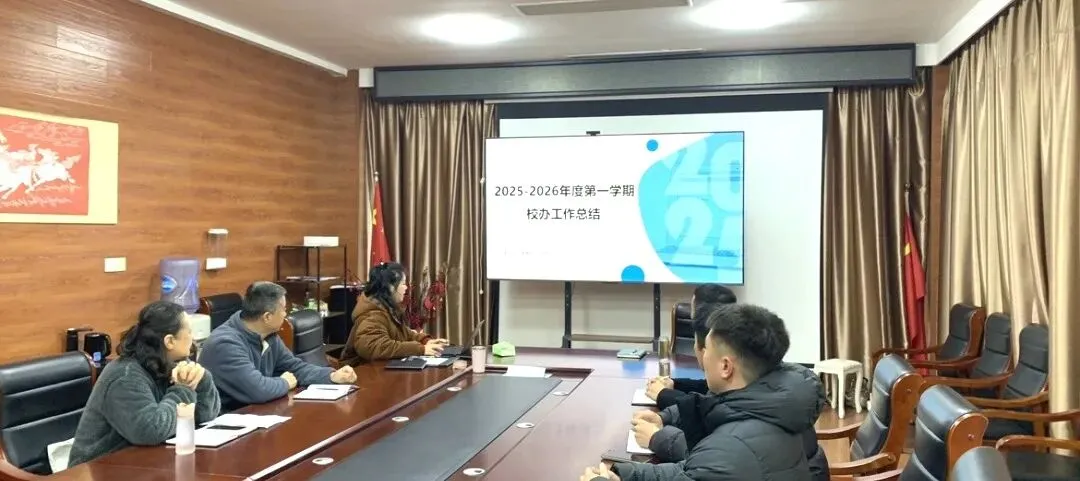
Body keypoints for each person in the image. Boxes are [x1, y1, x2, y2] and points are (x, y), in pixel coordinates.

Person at [583, 303, 821, 481]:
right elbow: (691, 471)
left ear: (726, 366)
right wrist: (627, 474)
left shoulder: (731, 448)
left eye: (705, 348)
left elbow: (710, 466)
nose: (701, 355)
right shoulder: (775, 409)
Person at [68, 301, 221, 466]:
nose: (193, 338)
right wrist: (183, 389)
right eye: (189, 332)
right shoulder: (125, 376)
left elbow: (206, 415)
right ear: (170, 341)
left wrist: (201, 379)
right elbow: (151, 431)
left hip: (146, 463)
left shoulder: (171, 362)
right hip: (99, 469)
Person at [199, 281, 357, 411]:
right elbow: (258, 390)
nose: (285, 314)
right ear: (267, 317)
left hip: (259, 414)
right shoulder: (225, 343)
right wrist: (285, 383)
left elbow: (295, 367)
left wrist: (331, 376)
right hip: (228, 422)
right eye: (283, 309)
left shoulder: (269, 335)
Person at [338, 262, 447, 365]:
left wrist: (425, 341)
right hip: (361, 372)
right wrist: (420, 349)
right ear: (390, 287)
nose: (406, 288)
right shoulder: (372, 315)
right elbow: (373, 347)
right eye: (403, 283)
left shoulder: (387, 308)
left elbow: (405, 334)